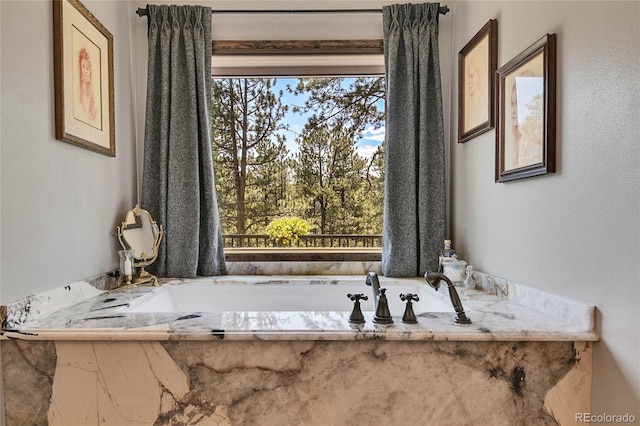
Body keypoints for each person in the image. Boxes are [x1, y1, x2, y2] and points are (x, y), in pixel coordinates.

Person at [77, 47, 98, 124]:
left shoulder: (93, 92)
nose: (85, 71)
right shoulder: (78, 89)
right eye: (83, 66)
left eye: (87, 68)